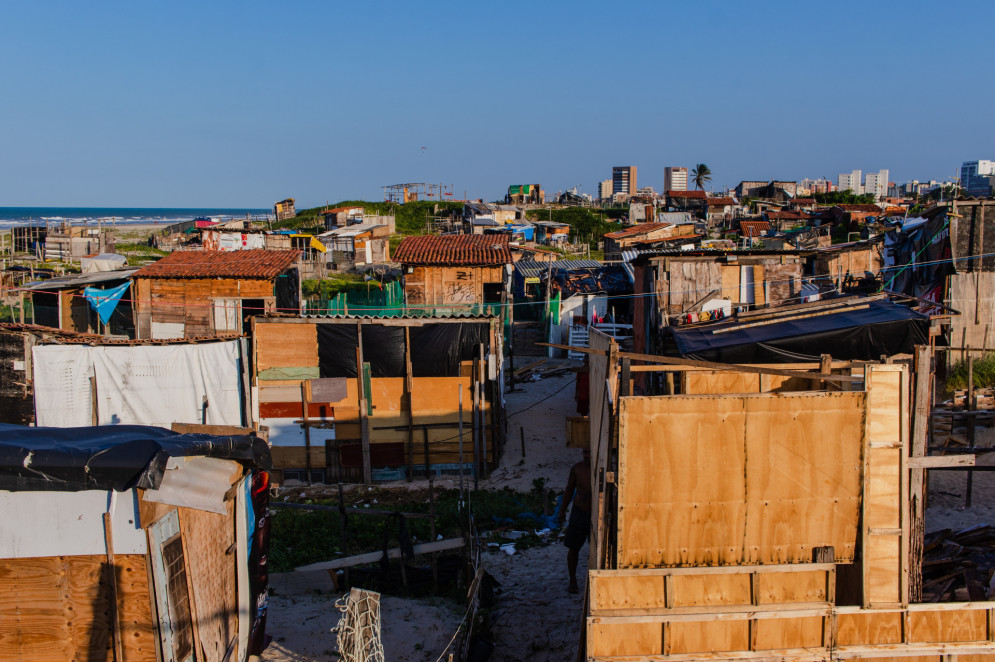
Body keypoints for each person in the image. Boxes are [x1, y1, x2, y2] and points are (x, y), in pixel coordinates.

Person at [557, 448, 591, 594]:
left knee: (597, 550)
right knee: (573, 548)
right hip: (579, 511)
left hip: (596, 513)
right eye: (585, 452)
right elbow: (569, 490)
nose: (587, 455)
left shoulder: (602, 467)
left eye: (589, 452)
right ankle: (572, 580)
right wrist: (562, 510)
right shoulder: (577, 469)